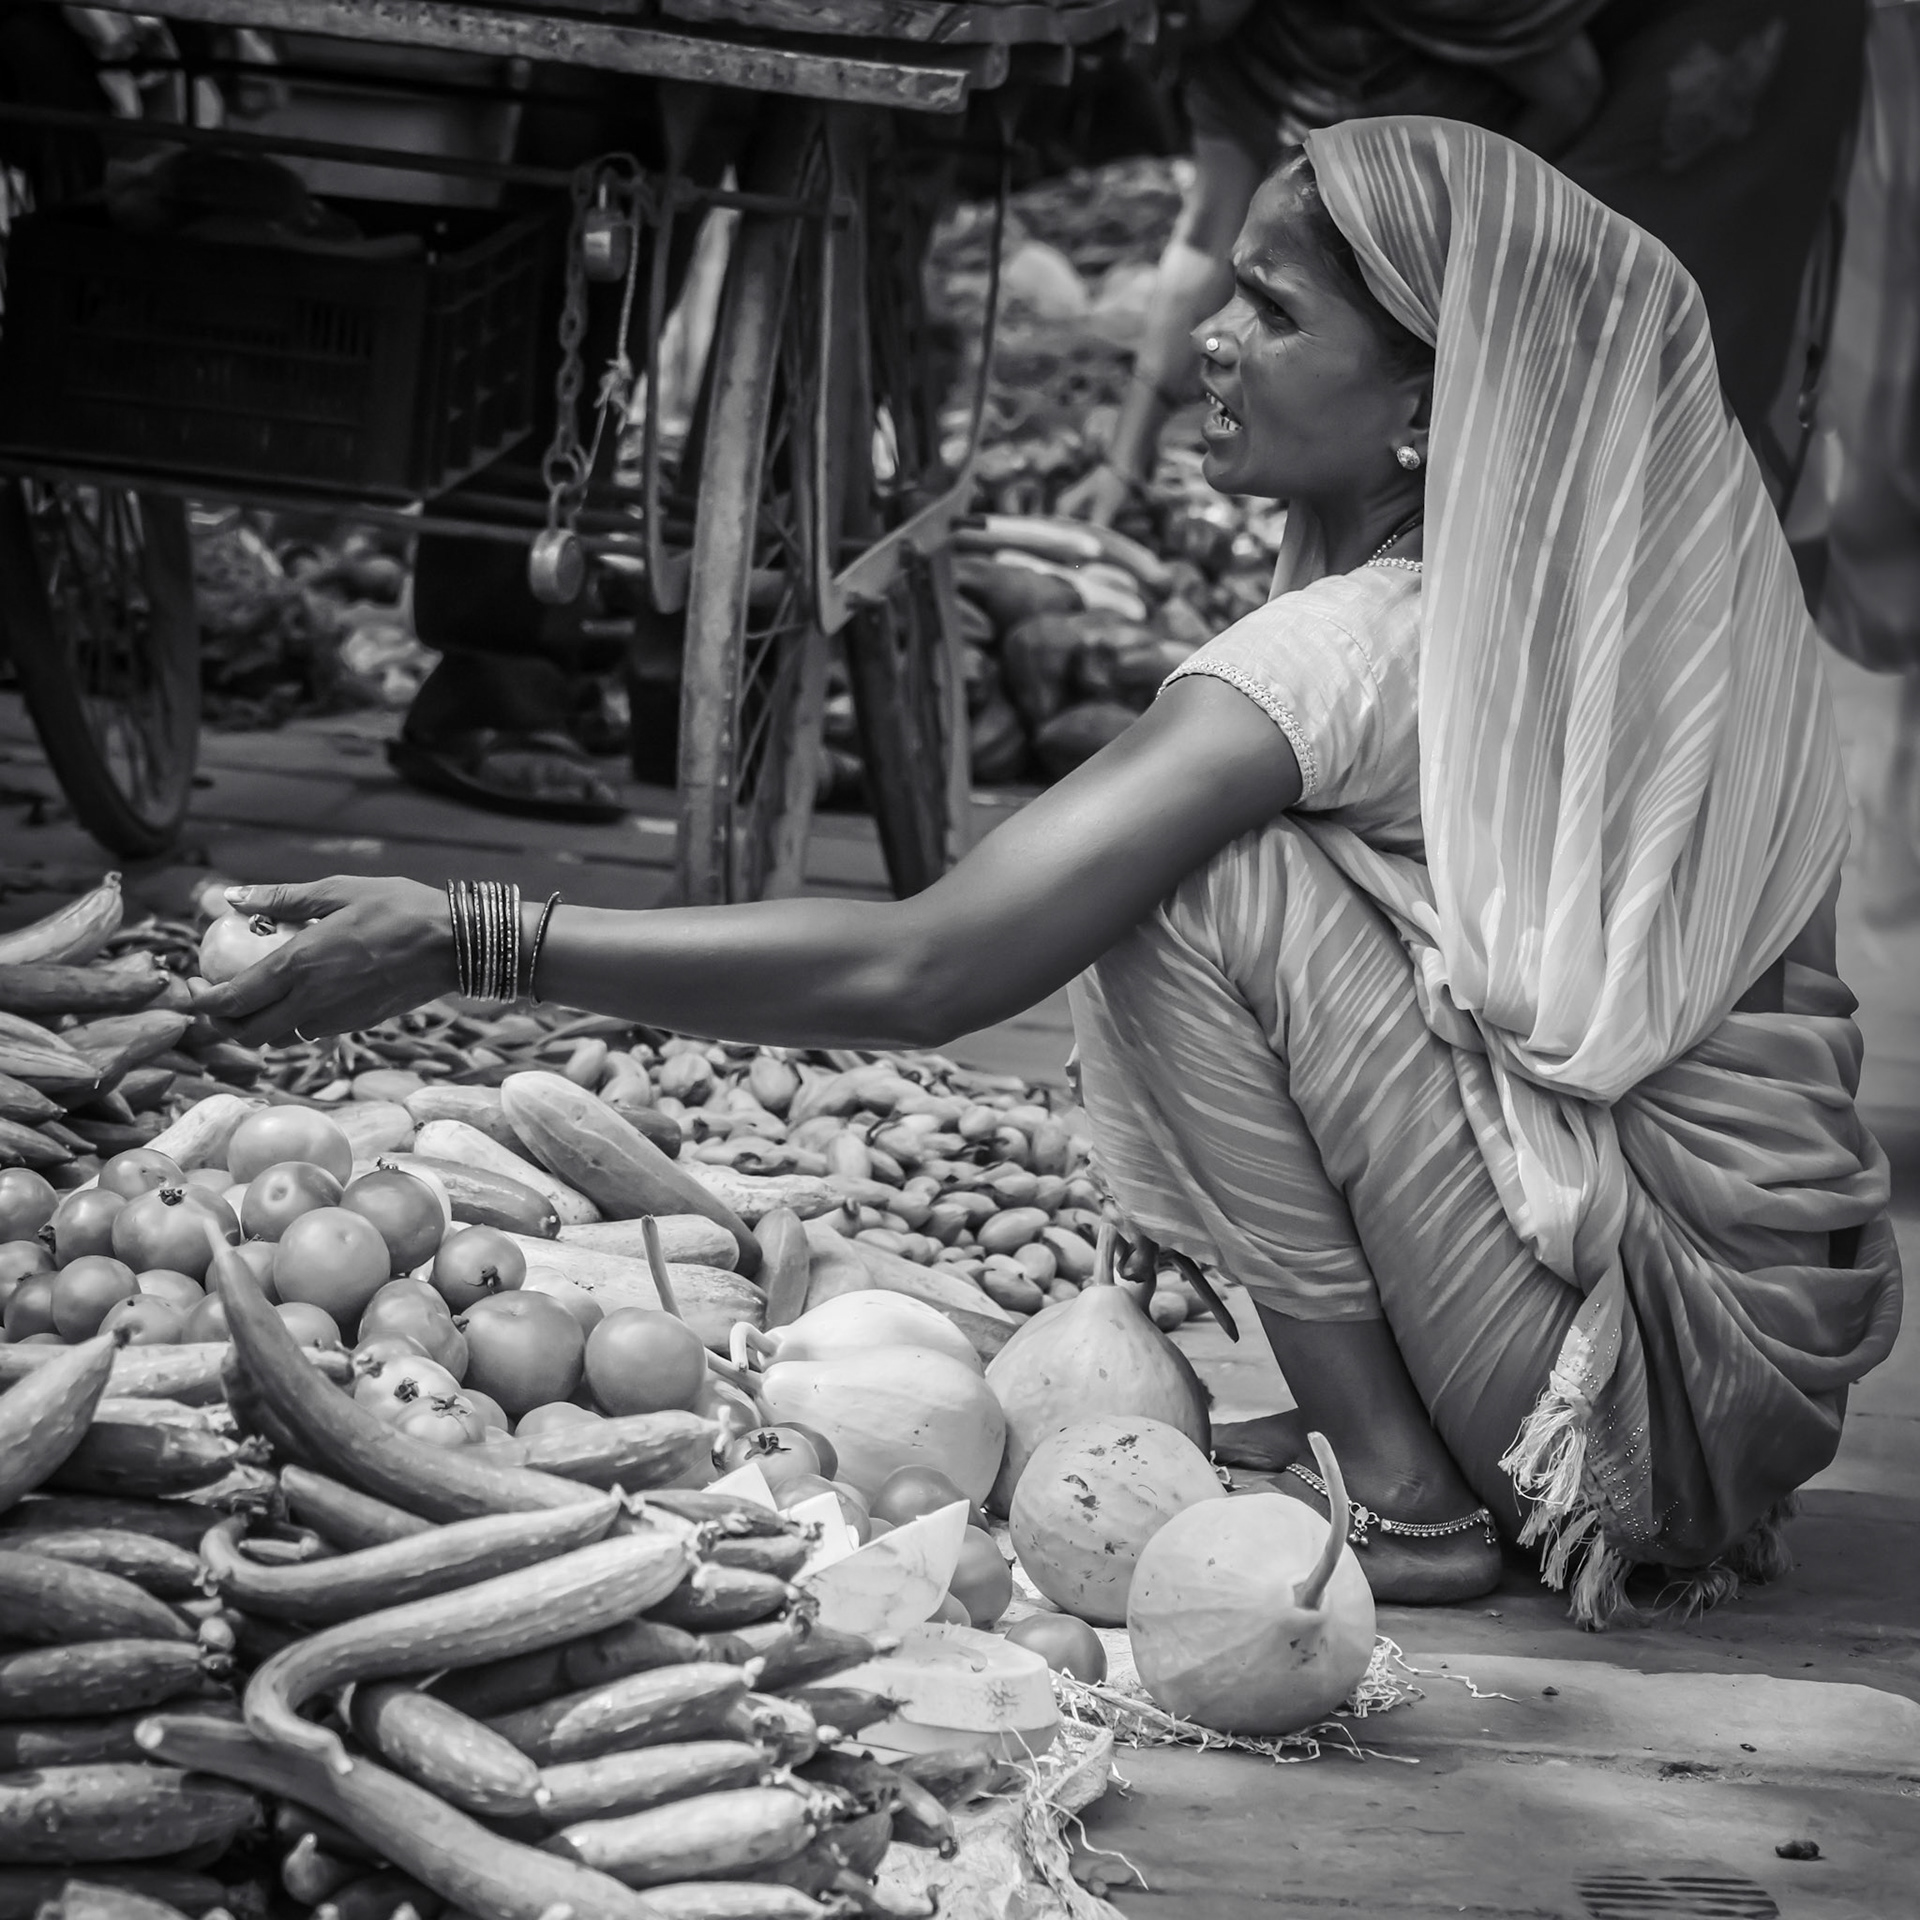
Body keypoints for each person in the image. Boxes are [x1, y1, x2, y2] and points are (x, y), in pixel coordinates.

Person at [191, 119, 1901, 1628]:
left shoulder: (1357, 654)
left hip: (1613, 1394)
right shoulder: (1655, 625)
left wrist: (472, 931)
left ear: (1430, 410)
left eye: (1275, 314)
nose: (1211, 346)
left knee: (1191, 882)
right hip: (1735, 1380)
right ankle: (1430, 1440)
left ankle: (1410, 1498)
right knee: (1245, 863)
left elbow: (929, 968)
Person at [1064, 0, 1864, 527]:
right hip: (1506, 150)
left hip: (1694, 47)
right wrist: (1125, 459)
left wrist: (1447, 233)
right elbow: (1207, 234)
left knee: (1622, 377)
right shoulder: (1218, 37)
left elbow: (1571, 92)